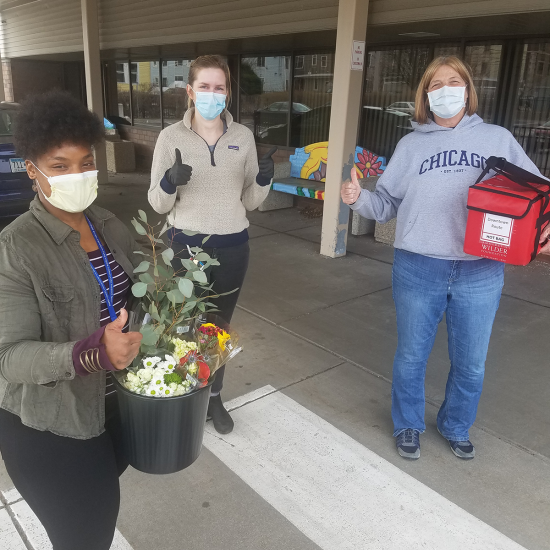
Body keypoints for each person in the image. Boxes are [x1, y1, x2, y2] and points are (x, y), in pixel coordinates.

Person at [342, 56, 547, 461]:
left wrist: (542, 226)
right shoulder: (411, 144)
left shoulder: (498, 139)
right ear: (425, 95)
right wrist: (358, 198)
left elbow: (537, 192)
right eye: (436, 84)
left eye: (454, 82)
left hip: (481, 270)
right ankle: (408, 424)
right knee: (411, 357)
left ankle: (455, 426)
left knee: (471, 363)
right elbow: (386, 205)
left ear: (468, 91)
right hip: (419, 266)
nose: (446, 90)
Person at [0, 90, 143, 549]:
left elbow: (131, 297)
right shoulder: (17, 248)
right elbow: (9, 357)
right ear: (33, 171)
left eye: (85, 162)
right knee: (85, 540)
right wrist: (91, 352)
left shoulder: (107, 223)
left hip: (111, 410)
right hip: (54, 429)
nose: (76, 175)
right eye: (60, 166)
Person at [148, 55, 275, 434]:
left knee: (218, 326)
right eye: (204, 86)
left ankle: (213, 395)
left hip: (234, 245)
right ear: (190, 91)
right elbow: (156, 202)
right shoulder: (170, 137)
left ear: (228, 93)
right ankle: (185, 394)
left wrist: (265, 179)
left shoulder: (243, 138)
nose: (211, 94)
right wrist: (170, 181)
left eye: (219, 87)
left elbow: (252, 201)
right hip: (185, 246)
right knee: (185, 324)